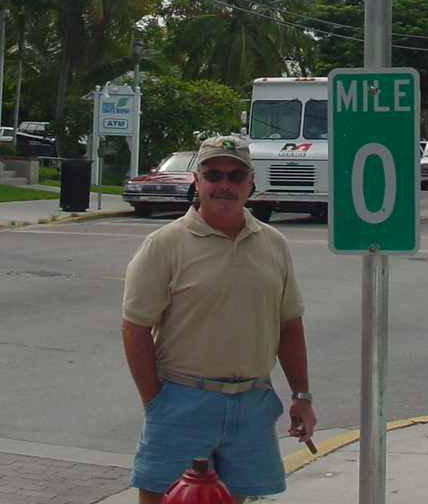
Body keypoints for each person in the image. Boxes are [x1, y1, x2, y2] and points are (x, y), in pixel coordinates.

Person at [121, 135, 317, 503]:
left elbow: (290, 325)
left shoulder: (273, 243)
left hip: (252, 402)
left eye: (236, 175)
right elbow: (134, 329)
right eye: (213, 175)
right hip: (182, 401)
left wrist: (301, 396)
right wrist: (157, 404)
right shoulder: (164, 244)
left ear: (251, 182)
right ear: (197, 180)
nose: (224, 185)